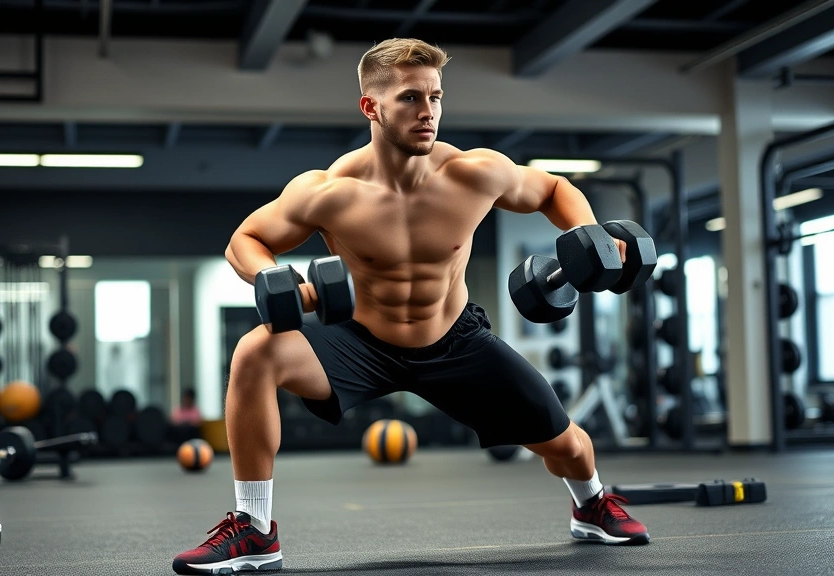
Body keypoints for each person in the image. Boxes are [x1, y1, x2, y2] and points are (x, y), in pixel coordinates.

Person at [173, 38, 649, 575]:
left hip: (456, 341)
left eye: (436, 97)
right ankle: (254, 530)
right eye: (409, 99)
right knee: (257, 351)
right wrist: (273, 276)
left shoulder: (473, 173)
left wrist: (590, 237)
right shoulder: (329, 191)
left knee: (569, 446)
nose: (428, 112)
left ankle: (590, 503)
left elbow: (552, 189)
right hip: (359, 341)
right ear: (370, 107)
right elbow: (247, 239)